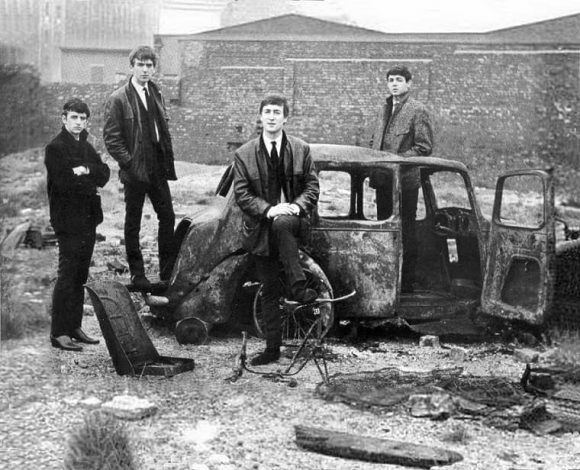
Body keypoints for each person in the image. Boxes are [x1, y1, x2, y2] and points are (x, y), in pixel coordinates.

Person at [233, 95, 320, 366]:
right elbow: (242, 193)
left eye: (277, 112)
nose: (271, 117)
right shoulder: (244, 154)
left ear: (285, 118)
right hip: (261, 230)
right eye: (267, 112)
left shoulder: (301, 149)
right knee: (269, 289)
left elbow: (312, 187)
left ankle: (296, 284)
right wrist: (269, 209)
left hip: (292, 223)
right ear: (260, 117)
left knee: (283, 222)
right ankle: (272, 349)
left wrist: (296, 206)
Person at [103, 45, 177, 290]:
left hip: (157, 167)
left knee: (167, 217)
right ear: (132, 66)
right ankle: (138, 275)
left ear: (154, 68)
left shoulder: (155, 92)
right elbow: (112, 139)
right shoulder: (118, 98)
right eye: (141, 64)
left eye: (149, 65)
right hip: (135, 170)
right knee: (132, 222)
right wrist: (129, 163)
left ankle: (167, 273)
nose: (145, 70)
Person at [45, 98, 110, 351]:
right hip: (67, 220)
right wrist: (88, 176)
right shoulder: (55, 148)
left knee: (81, 275)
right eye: (74, 117)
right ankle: (59, 333)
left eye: (83, 118)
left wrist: (83, 170)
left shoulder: (86, 146)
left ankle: (74, 327)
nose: (79, 122)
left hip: (88, 219)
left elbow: (104, 174)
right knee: (68, 275)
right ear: (64, 119)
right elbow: (63, 183)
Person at [370, 65, 433, 292]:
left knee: (406, 232)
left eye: (398, 80)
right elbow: (375, 141)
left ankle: (406, 285)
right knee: (384, 230)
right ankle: (386, 282)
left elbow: (424, 148)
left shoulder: (417, 110)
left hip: (405, 183)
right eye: (390, 80)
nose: (394, 84)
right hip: (382, 180)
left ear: (408, 84)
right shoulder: (384, 108)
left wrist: (395, 159)